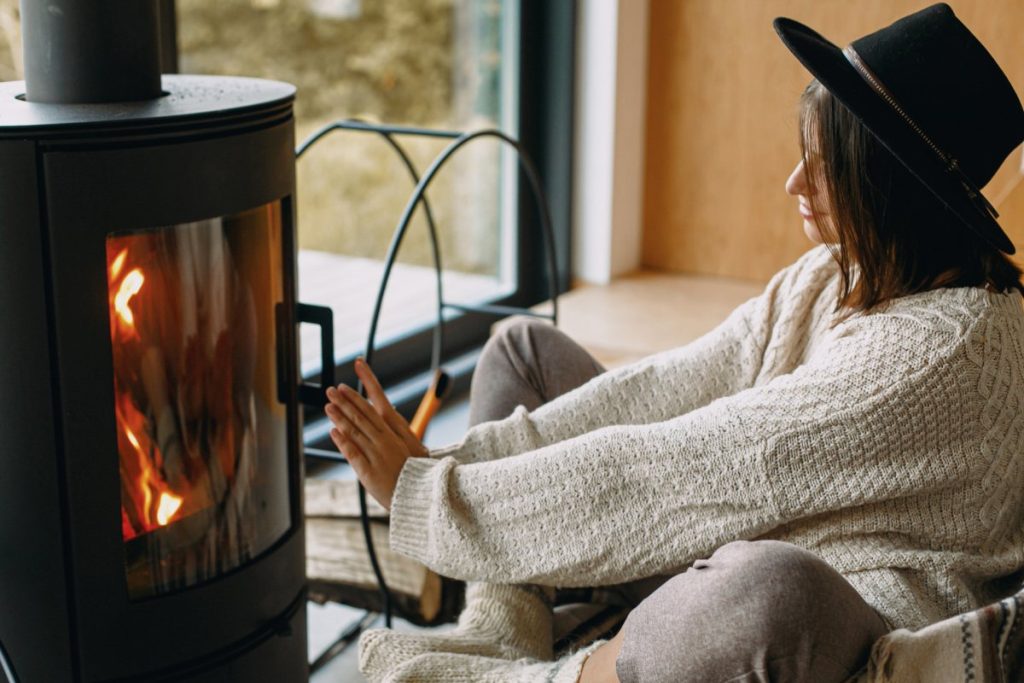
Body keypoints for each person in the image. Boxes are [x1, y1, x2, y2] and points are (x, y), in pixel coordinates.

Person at [324, 4, 1024, 681]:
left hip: (827, 607)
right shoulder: (840, 272)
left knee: (766, 590)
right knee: (521, 351)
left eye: (822, 165)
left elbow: (685, 469)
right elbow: (673, 384)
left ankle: (536, 676)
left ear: (887, 186)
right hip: (724, 537)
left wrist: (430, 497)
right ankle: (500, 634)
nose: (793, 183)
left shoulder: (938, 357)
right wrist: (448, 465)